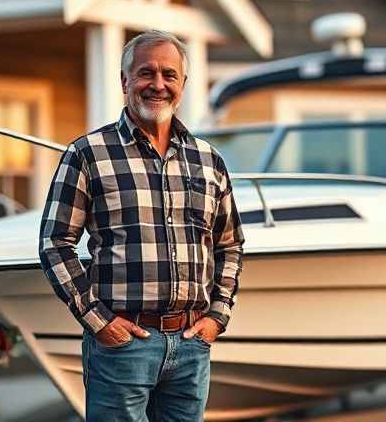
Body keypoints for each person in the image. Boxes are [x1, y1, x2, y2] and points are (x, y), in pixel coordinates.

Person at [38, 30, 244, 421]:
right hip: (122, 346)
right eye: (146, 73)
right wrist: (100, 323)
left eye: (169, 74)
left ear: (183, 84)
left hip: (191, 346)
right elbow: (55, 243)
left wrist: (217, 317)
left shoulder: (208, 160)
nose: (158, 84)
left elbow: (229, 244)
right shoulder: (86, 154)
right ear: (124, 81)